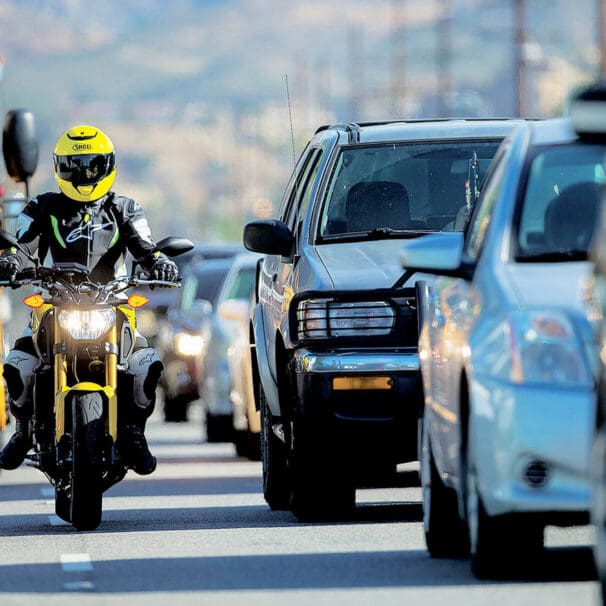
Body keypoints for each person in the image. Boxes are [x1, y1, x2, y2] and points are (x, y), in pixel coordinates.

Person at [0, 124, 179, 475]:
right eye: (73, 166)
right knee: (18, 361)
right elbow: (23, 247)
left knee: (145, 364)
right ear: (58, 167)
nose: (83, 173)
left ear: (108, 166)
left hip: (113, 304)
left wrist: (161, 263)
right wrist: (10, 262)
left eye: (91, 165)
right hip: (56, 302)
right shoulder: (42, 207)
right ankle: (22, 432)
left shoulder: (125, 208)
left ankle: (133, 432)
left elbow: (145, 246)